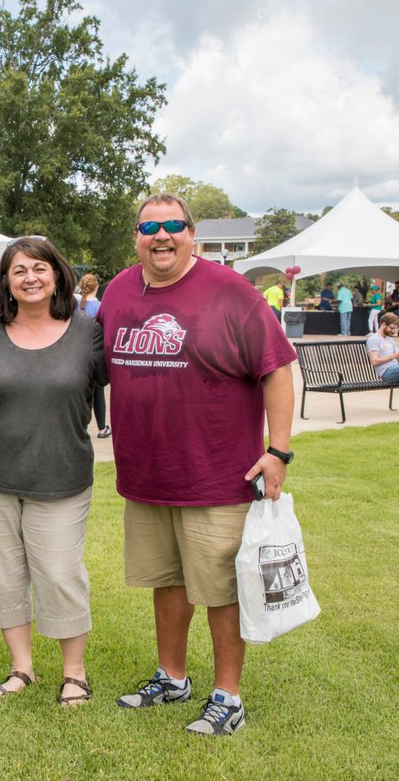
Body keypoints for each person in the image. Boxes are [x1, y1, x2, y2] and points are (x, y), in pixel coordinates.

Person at [97, 194, 296, 737]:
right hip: (147, 474)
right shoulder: (118, 290)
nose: (161, 236)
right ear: (136, 237)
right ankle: (173, 676)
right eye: (149, 228)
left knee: (220, 589)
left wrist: (278, 451)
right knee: (167, 581)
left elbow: (278, 368)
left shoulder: (231, 291)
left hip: (217, 474)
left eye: (173, 226)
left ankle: (228, 696)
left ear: (192, 235)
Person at [0, 236, 106, 706]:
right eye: (19, 270)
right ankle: (21, 667)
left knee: (60, 573)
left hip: (61, 474)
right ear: (5, 281)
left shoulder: (88, 332)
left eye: (39, 268)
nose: (30, 278)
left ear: (58, 275)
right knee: (1, 575)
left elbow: (110, 385)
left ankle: (74, 673)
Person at [76, 273, 109, 438]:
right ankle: (102, 429)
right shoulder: (101, 307)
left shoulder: (73, 305)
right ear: (96, 287)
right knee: (98, 393)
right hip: (94, 357)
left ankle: (81, 427)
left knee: (78, 394)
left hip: (75, 355)